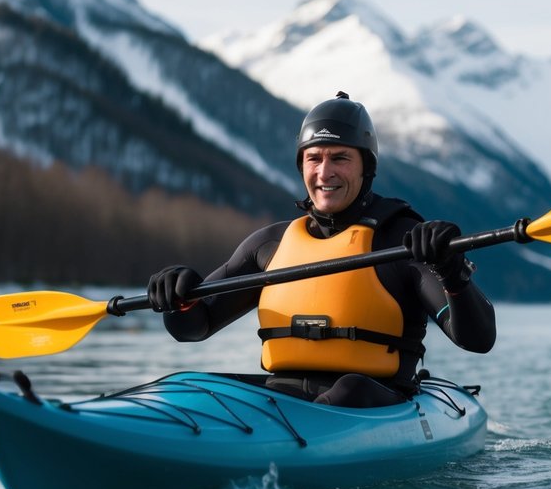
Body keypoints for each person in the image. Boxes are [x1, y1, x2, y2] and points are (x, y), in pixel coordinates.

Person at [146, 91, 496, 408]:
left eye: (340, 158)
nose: (324, 172)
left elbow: (478, 339)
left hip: (373, 399)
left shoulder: (402, 241)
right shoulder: (269, 246)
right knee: (193, 386)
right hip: (285, 400)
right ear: (302, 167)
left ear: (366, 168)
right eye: (313, 158)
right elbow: (193, 328)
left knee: (349, 390)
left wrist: (451, 271)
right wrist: (179, 296)